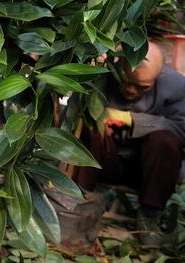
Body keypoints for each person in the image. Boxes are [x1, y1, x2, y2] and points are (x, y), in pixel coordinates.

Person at [74, 42, 185, 242]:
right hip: (103, 163)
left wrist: (131, 120)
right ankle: (78, 202)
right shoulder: (100, 78)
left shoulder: (176, 86)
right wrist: (95, 115)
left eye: (142, 86)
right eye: (126, 81)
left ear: (159, 76)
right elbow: (72, 119)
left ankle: (149, 216)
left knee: (166, 140)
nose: (131, 90)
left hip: (150, 172)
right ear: (119, 66)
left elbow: (182, 128)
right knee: (91, 127)